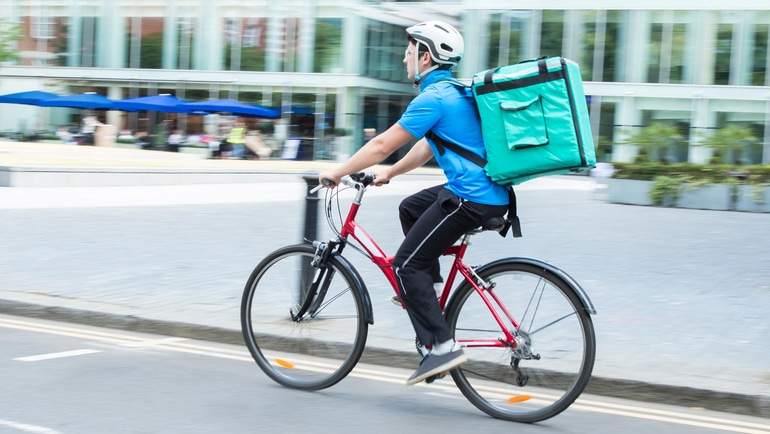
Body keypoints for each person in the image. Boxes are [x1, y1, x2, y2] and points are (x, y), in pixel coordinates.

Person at [318, 21, 510, 385]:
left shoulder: (433, 97)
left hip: (470, 198)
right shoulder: (453, 92)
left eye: (409, 52)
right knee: (410, 207)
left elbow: (381, 145)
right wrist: (390, 174)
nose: (404, 58)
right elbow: (428, 146)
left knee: (405, 264)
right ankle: (428, 292)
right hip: (488, 193)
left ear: (425, 57)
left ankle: (441, 347)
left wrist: (337, 171)